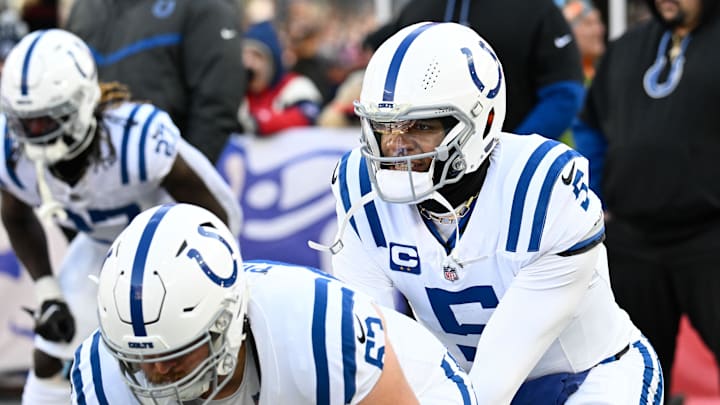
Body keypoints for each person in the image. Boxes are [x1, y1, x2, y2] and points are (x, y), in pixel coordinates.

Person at [316, 22, 664, 404]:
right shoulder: (361, 189)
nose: (397, 148)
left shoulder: (540, 190)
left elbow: (494, 378)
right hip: (467, 384)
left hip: (593, 377)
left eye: (421, 126)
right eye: (385, 127)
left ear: (483, 122)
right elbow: (371, 353)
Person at [0, 29, 242, 405]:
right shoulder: (12, 152)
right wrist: (48, 292)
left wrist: (211, 277)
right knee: (51, 348)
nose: (34, 134)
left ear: (81, 102)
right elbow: (15, 215)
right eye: (24, 122)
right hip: (105, 247)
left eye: (47, 120)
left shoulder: (136, 140)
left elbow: (213, 214)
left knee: (171, 351)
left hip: (180, 242)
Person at [70, 203, 477, 405]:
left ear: (227, 323)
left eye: (178, 356)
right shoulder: (101, 374)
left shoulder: (320, 332)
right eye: (140, 361)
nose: (158, 375)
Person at [573, 0, 720, 398]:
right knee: (635, 372)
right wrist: (595, 196)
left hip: (709, 238)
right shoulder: (627, 47)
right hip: (633, 238)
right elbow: (590, 126)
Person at [363, 0, 585, 140]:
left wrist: (508, 150)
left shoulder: (538, 9)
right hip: (423, 167)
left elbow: (564, 94)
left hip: (506, 170)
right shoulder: (417, 9)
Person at [64, 0, 245, 163]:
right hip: (88, 182)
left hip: (163, 179)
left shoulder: (204, 7)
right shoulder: (85, 8)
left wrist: (183, 183)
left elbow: (216, 104)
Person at [237, 20, 322, 136]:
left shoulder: (296, 86)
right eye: (245, 55)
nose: (249, 63)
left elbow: (308, 115)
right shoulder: (238, 91)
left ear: (273, 62)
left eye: (257, 56)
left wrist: (260, 122)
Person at [560, 0, 606, 81]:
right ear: (569, 31)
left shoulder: (602, 74)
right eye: (589, 24)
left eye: (598, 22)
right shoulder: (561, 80)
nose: (600, 30)